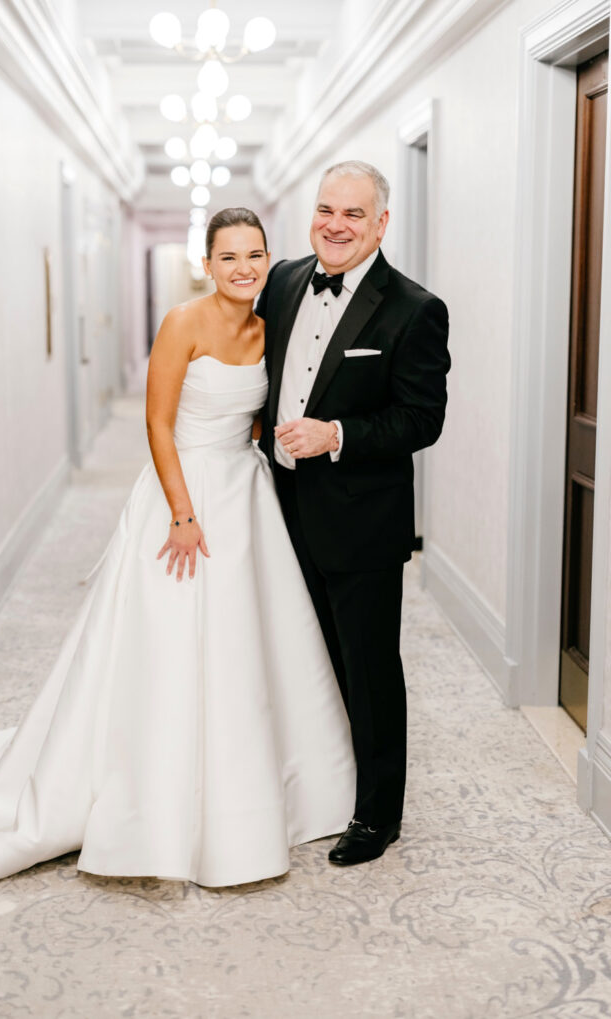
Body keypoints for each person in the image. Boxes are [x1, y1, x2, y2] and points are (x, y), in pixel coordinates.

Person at [0, 209, 356, 889]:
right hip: (181, 492)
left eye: (254, 255)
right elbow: (158, 422)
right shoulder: (183, 323)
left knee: (252, 639)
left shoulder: (274, 324)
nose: (243, 268)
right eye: (228, 257)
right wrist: (183, 514)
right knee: (168, 640)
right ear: (208, 262)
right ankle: (155, 795)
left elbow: (262, 414)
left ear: (268, 258)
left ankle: (259, 788)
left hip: (246, 491)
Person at [255, 160, 451, 866]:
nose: (336, 224)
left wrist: (337, 434)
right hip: (278, 510)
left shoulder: (414, 309)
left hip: (361, 518)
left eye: (354, 214)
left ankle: (376, 815)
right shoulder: (281, 280)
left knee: (367, 666)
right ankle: (316, 782)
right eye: (326, 209)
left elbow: (422, 418)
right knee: (300, 654)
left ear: (381, 223)